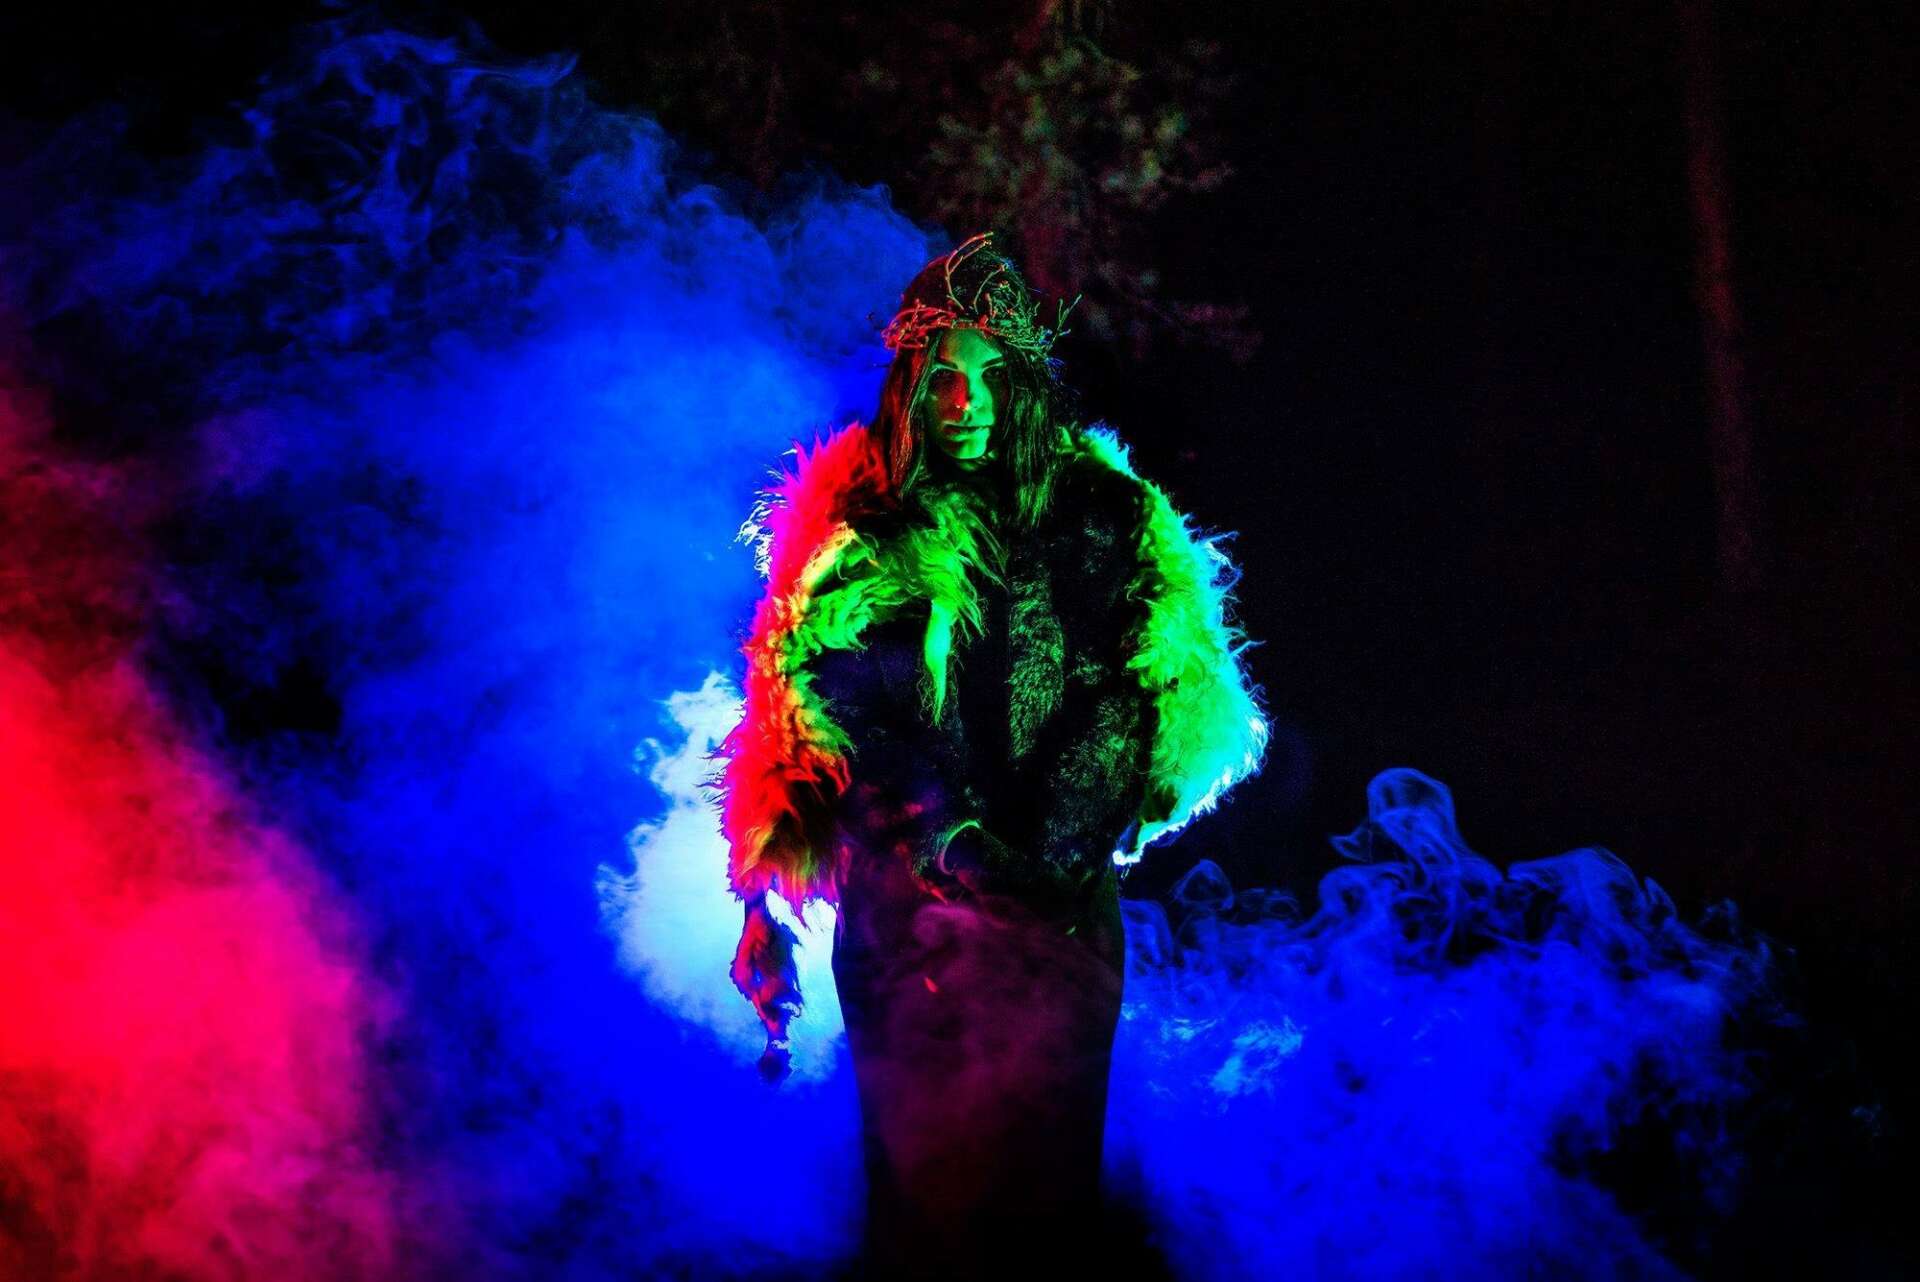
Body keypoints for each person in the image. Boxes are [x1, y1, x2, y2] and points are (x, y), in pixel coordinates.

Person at [717, 233, 1265, 1278]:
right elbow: (805, 710)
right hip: (899, 922)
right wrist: (802, 885)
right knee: (920, 1217)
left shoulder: (1101, 517)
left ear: (1021, 383)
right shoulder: (856, 525)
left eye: (985, 374)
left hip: (1051, 916)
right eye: (941, 376)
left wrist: (1027, 860)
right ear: (910, 386)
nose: (963, 401)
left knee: (1039, 1214)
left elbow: (1140, 696)